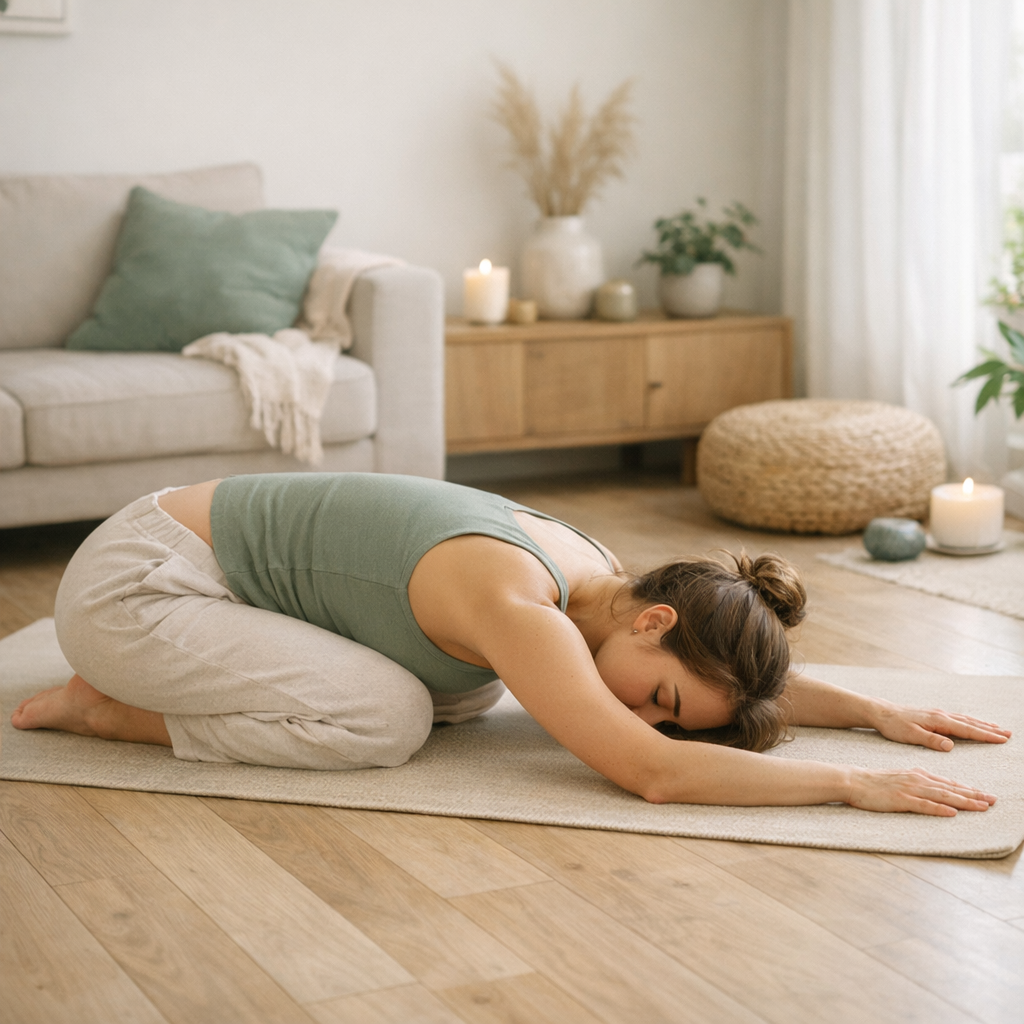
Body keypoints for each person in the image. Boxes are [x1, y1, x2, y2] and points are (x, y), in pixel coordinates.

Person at [12, 473, 1010, 816]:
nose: (634, 712)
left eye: (662, 712)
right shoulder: (521, 600)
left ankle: (139, 687)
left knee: (462, 697)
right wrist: (848, 784)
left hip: (195, 569)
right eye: (656, 696)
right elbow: (651, 772)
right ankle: (105, 707)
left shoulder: (604, 579)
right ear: (654, 618)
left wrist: (874, 711)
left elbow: (698, 700)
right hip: (136, 586)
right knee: (391, 716)